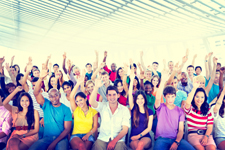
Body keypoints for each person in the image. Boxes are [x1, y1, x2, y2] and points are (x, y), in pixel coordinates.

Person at [29, 69, 72, 150]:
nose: (54, 98)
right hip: (46, 139)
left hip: (61, 139)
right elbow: (36, 93)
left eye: (55, 95)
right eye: (51, 96)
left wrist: (54, 143)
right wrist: (40, 78)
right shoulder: (46, 104)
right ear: (49, 97)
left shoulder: (66, 109)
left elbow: (67, 130)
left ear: (59, 95)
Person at [153, 69, 195, 150]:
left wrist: (176, 142)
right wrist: (162, 81)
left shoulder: (180, 111)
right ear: (164, 97)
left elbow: (180, 130)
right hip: (161, 139)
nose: (170, 99)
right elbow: (158, 98)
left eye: (172, 96)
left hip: (176, 139)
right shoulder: (160, 107)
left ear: (175, 96)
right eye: (168, 96)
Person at [89, 78, 130, 150]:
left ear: (118, 95)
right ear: (107, 97)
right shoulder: (103, 106)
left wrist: (114, 141)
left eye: (114, 94)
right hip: (103, 139)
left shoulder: (124, 109)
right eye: (109, 95)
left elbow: (125, 130)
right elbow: (92, 102)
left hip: (118, 140)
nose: (112, 97)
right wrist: (96, 87)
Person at [184, 80, 216, 150]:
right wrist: (194, 88)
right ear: (193, 97)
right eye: (197, 96)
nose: (199, 99)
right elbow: (188, 102)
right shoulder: (190, 109)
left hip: (207, 135)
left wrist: (206, 137)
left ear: (205, 98)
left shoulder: (208, 110)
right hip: (193, 136)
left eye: (202, 97)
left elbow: (210, 127)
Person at [69, 76, 98, 150]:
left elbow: (95, 127)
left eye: (81, 100)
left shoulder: (93, 111)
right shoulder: (76, 109)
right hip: (76, 136)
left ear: (85, 99)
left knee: (83, 148)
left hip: (88, 136)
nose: (79, 103)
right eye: (77, 101)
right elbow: (71, 96)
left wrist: (87, 135)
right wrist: (78, 83)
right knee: (81, 146)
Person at [129, 67, 153, 150]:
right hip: (133, 137)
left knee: (140, 145)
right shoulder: (133, 108)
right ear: (135, 100)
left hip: (145, 137)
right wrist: (132, 80)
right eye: (138, 98)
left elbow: (149, 128)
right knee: (138, 146)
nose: (140, 100)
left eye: (142, 98)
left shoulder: (149, 111)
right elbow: (129, 95)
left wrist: (138, 136)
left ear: (144, 99)